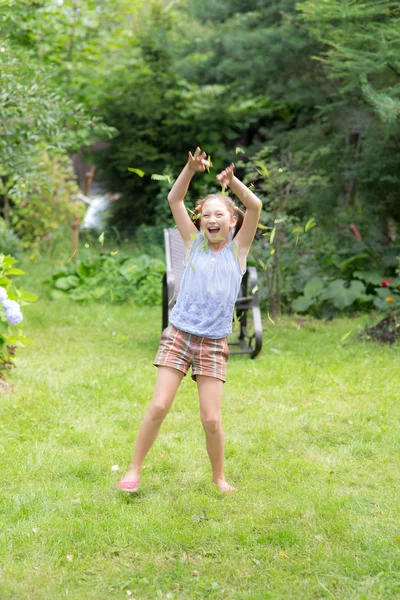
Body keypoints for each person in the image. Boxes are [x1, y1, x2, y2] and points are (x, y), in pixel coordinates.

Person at [118, 147, 262, 494]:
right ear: (200, 221)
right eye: (206, 215)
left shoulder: (237, 251)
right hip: (180, 334)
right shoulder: (192, 243)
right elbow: (175, 197)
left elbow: (254, 206)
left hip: (213, 341)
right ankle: (133, 469)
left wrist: (233, 183)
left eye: (220, 215)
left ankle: (219, 477)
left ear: (232, 222)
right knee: (159, 405)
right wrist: (189, 168)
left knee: (211, 419)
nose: (212, 220)